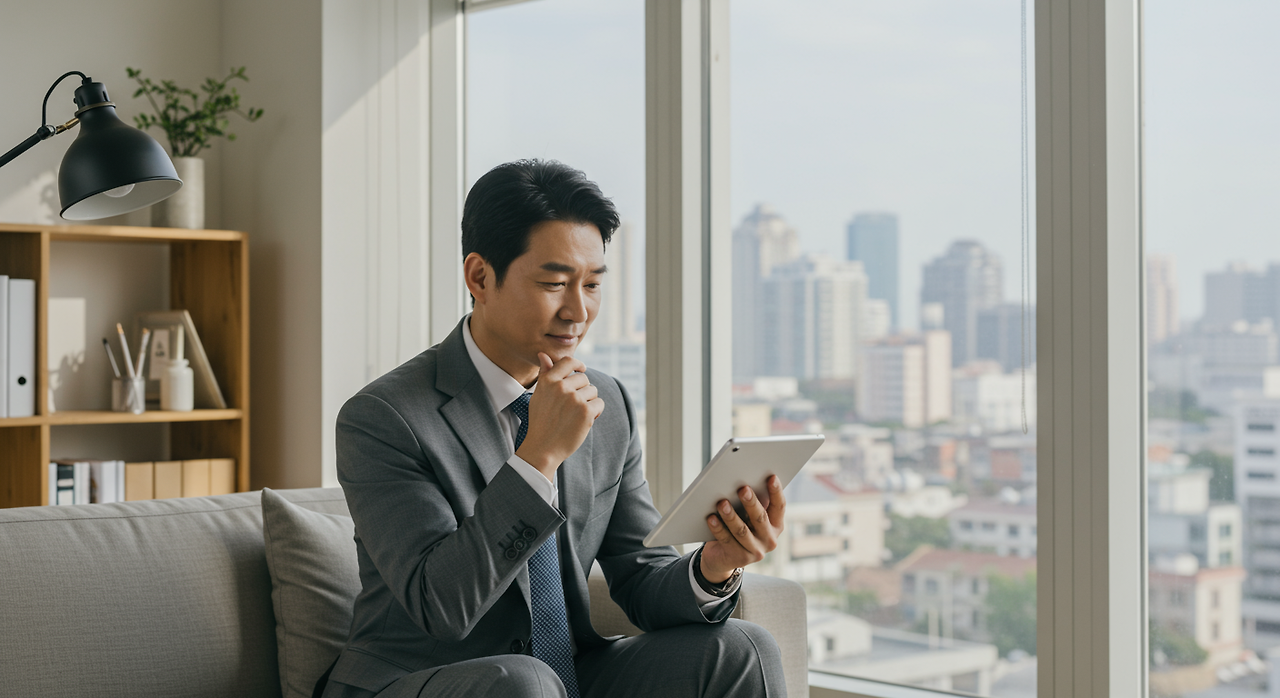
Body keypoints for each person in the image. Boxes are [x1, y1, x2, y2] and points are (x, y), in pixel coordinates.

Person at [321, 159, 788, 698]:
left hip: (564, 676)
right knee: (525, 683)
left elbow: (638, 575)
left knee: (744, 649)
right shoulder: (384, 417)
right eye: (553, 283)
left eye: (592, 285)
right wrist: (537, 456)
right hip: (420, 683)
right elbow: (441, 607)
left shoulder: (605, 400)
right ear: (479, 277)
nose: (578, 311)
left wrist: (714, 567)